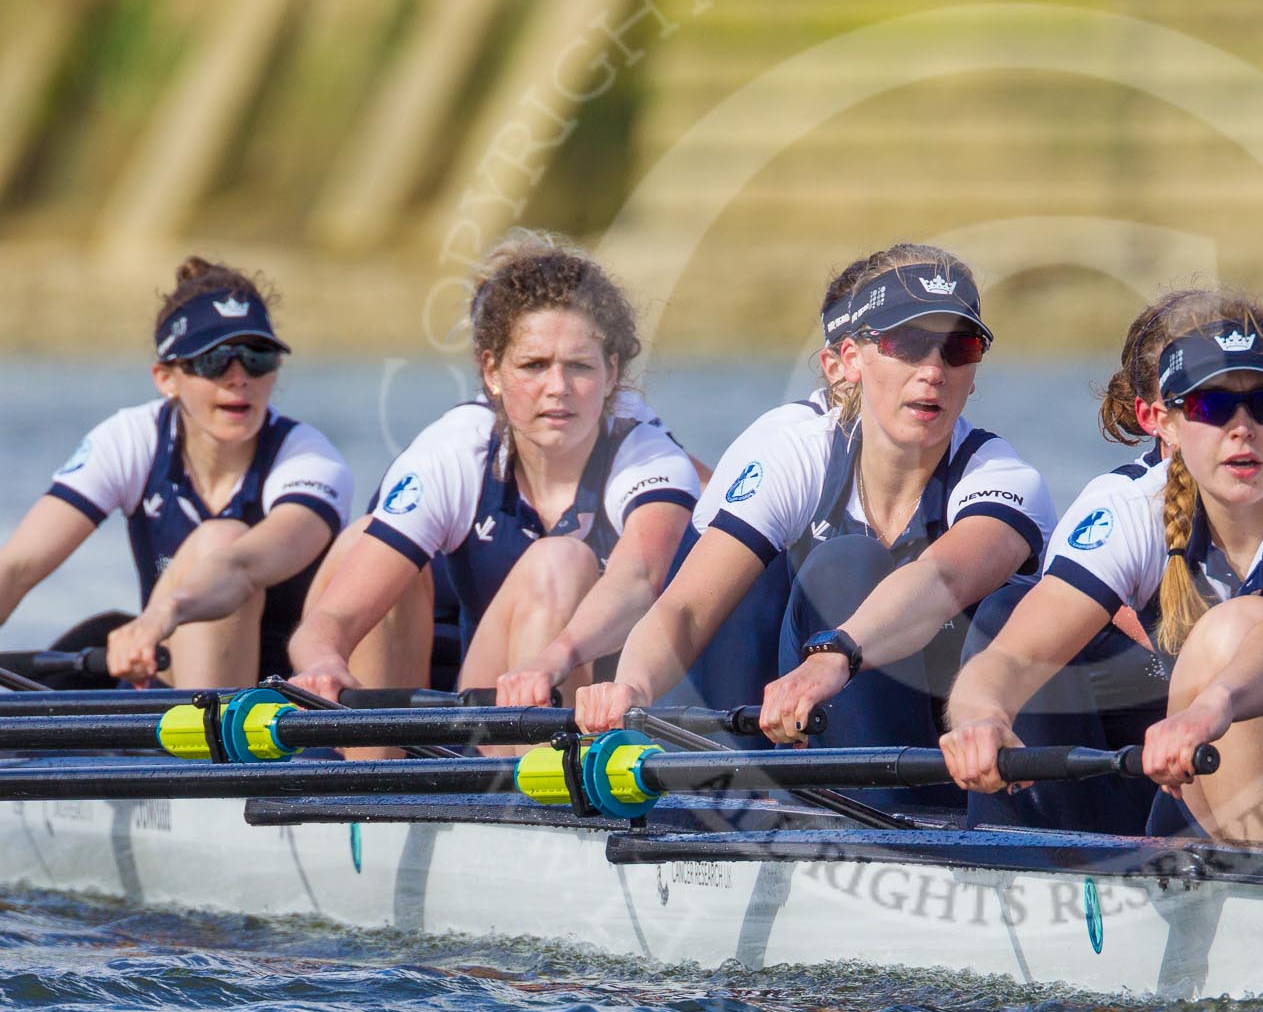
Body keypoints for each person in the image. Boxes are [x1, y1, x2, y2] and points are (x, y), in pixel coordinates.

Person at [941, 287, 1263, 845]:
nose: (1241, 428)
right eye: (1210, 405)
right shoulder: (1130, 510)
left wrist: (1212, 708)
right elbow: (1013, 654)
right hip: (1218, 804)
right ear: (1168, 424)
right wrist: (979, 716)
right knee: (1220, 628)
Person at [576, 244, 1057, 811]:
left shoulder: (1003, 478)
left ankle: (886, 828)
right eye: (906, 344)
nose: (933, 370)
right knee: (754, 565)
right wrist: (631, 691)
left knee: (845, 565)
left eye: (959, 347)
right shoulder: (797, 449)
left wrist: (835, 655)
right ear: (848, 362)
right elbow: (684, 609)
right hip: (789, 727)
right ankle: (735, 802)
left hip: (947, 763)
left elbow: (941, 578)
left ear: (974, 372)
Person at [288, 233, 697, 712]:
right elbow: (329, 619)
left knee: (558, 562)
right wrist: (321, 659)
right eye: (534, 365)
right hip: (483, 707)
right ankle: (379, 777)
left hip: (598, 716)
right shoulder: (456, 450)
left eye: (579, 367)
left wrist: (553, 659)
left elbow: (638, 579)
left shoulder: (651, 458)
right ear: (492, 372)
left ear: (612, 371)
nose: (557, 388)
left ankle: (546, 776)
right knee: (364, 540)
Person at [0, 257, 351, 689]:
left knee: (218, 541)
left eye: (257, 357)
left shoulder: (309, 459)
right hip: (171, 675)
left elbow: (241, 566)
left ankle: (210, 755)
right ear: (166, 378)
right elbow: (15, 568)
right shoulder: (131, 439)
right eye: (214, 360)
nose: (238, 378)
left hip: (293, 697)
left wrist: (163, 613)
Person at [665, 255, 875, 715]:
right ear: (838, 364)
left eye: (948, 348)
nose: (928, 369)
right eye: (901, 345)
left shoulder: (975, 457)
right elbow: (692, 619)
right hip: (731, 693)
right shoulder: (788, 440)